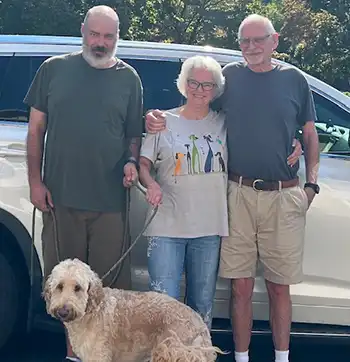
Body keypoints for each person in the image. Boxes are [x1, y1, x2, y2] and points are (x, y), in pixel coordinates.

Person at [144, 14, 319, 362]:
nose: (251, 47)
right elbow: (190, 112)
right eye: (244, 41)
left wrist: (311, 184)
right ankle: (240, 357)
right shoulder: (230, 78)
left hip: (283, 195)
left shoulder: (295, 79)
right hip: (236, 194)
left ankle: (280, 358)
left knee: (277, 287)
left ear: (275, 40)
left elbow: (309, 132)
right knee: (239, 287)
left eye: (259, 40)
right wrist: (150, 117)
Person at [24, 6, 143, 362]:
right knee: (66, 294)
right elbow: (35, 131)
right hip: (60, 202)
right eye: (95, 34)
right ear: (83, 31)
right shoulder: (53, 70)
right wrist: (35, 182)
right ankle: (74, 356)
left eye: (109, 36)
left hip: (111, 204)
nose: (101, 43)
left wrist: (132, 162)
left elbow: (132, 136)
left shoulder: (130, 79)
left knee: (107, 296)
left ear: (117, 37)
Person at [139, 55, 228, 330]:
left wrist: (294, 142)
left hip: (209, 228)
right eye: (193, 82)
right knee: (163, 305)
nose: (199, 90)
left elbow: (260, 135)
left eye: (207, 85)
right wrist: (150, 184)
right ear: (183, 83)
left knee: (201, 308)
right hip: (167, 226)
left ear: (216, 90)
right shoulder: (162, 121)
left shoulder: (225, 123)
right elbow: (143, 165)